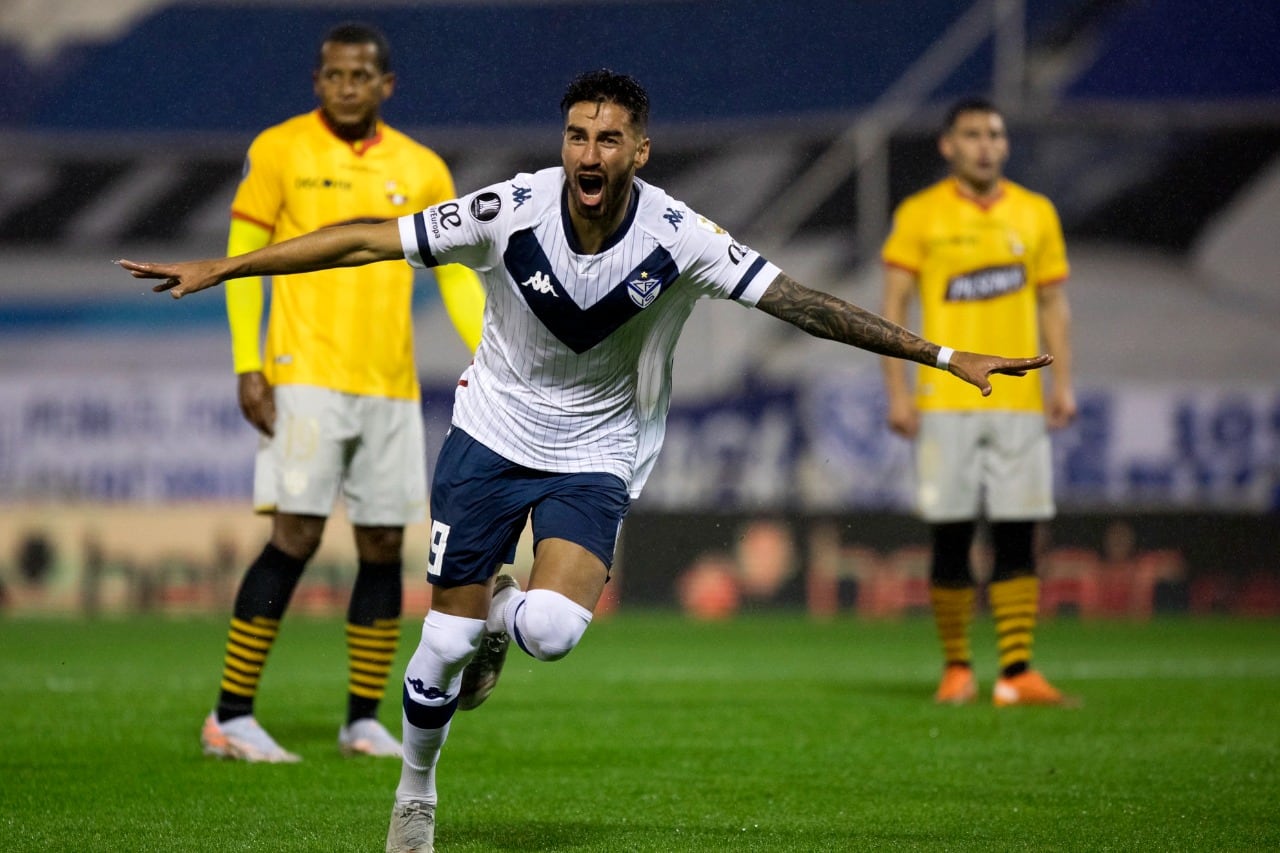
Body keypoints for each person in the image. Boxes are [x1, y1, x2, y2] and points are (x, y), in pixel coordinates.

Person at [120, 70, 1051, 850]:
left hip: (596, 448)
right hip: (491, 437)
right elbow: (369, 237)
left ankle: (498, 616)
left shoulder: (678, 236)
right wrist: (223, 269)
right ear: (562, 143)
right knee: (440, 645)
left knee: (557, 632)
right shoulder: (508, 210)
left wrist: (942, 355)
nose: (590, 153)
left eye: (610, 139)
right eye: (577, 135)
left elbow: (800, 302)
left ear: (639, 151)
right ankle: (416, 789)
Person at [196, 22, 486, 764]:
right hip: (303, 376)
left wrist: (491, 349)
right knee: (293, 535)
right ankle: (230, 713)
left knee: (385, 544)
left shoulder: (421, 168)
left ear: (386, 85)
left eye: (360, 76)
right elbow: (243, 256)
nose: (345, 86)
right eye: (332, 75)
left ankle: (361, 719)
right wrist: (247, 363)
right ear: (317, 80)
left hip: (388, 384)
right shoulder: (279, 149)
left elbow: (453, 271)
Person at [879, 97, 1077, 708]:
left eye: (995, 134)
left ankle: (1016, 673)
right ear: (948, 145)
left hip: (1020, 402)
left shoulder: (1036, 213)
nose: (986, 144)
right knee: (952, 535)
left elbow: (1052, 304)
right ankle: (958, 668)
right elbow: (892, 310)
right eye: (972, 134)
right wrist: (898, 392)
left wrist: (1063, 382)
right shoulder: (920, 214)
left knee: (1020, 533)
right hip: (945, 400)